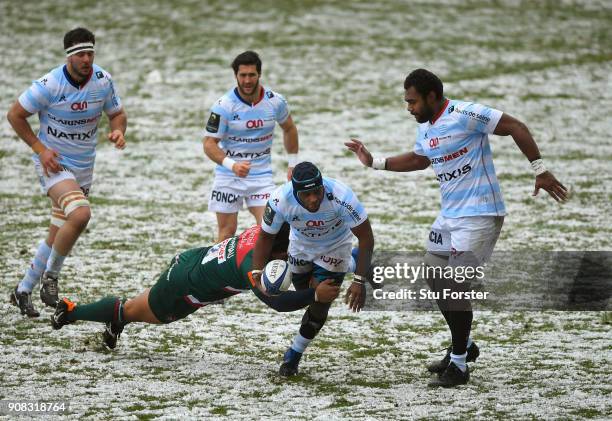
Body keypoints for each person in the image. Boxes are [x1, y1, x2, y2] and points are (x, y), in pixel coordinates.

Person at [346, 68, 567, 387]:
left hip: (480, 214)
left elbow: (515, 126)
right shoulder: (426, 127)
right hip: (450, 216)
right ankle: (463, 346)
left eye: (412, 102)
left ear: (432, 96)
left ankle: (460, 365)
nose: (409, 108)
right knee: (435, 277)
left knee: (452, 284)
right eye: (406, 102)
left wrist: (540, 169)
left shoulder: (465, 113)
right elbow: (421, 159)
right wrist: (374, 162)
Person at [50, 224, 341, 351]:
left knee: (135, 311)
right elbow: (277, 303)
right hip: (185, 284)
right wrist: (314, 295)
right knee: (139, 312)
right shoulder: (251, 266)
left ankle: (115, 323)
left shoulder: (265, 237)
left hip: (194, 262)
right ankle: (71, 311)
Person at [7, 27, 127, 317]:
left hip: (84, 168)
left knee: (58, 234)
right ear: (69, 57)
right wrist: (40, 149)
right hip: (54, 165)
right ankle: (51, 278)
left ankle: (22, 290)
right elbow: (15, 115)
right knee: (80, 215)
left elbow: (117, 114)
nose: (87, 59)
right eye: (81, 54)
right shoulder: (49, 84)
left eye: (91, 53)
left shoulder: (102, 80)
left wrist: (117, 131)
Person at [251, 161, 375, 376]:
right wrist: (256, 271)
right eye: (306, 195)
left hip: (335, 247)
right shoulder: (280, 199)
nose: (314, 199)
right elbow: (265, 236)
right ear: (295, 191)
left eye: (317, 192)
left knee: (319, 301)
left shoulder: (341, 196)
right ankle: (354, 261)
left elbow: (366, 237)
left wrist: (358, 281)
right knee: (304, 295)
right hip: (300, 246)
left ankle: (294, 354)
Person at [203, 50, 299, 242]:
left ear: (259, 75)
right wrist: (232, 165)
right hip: (228, 177)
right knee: (226, 233)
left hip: (261, 177)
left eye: (251, 75)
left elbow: (289, 129)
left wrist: (293, 163)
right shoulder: (224, 106)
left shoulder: (275, 102)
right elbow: (208, 144)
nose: (247, 81)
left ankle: (262, 271)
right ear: (236, 76)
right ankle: (219, 271)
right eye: (243, 75)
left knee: (271, 229)